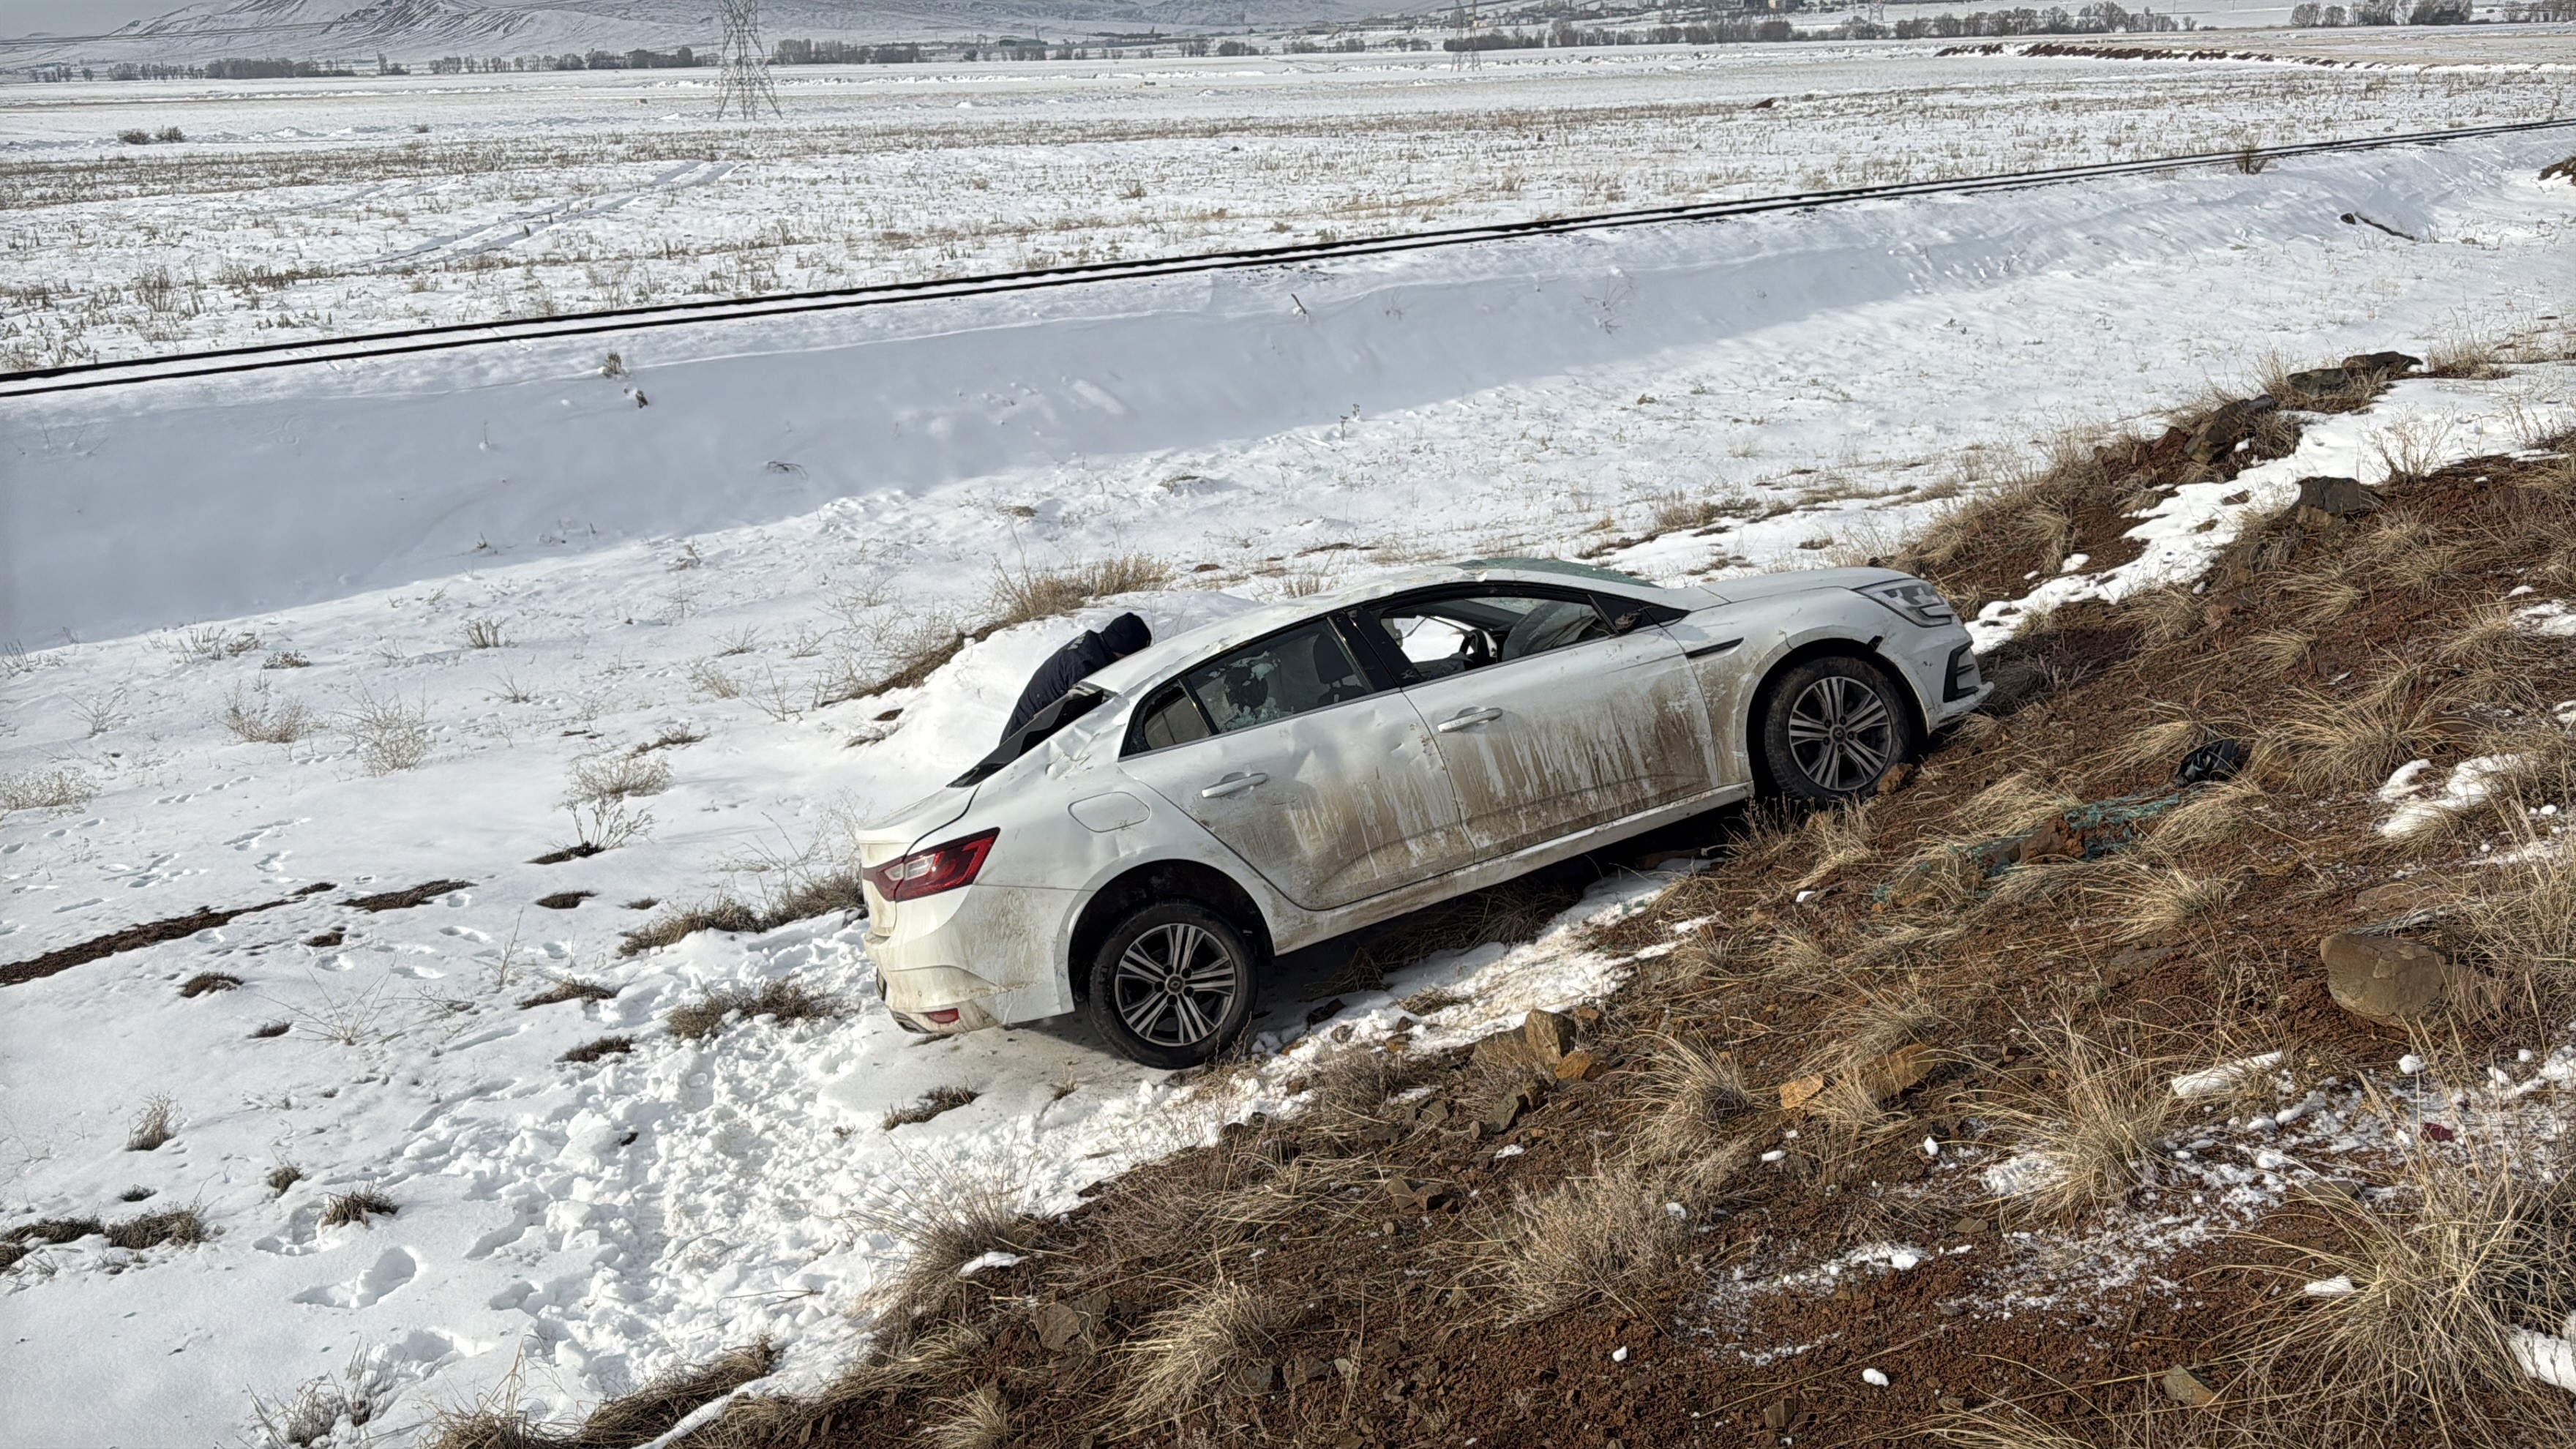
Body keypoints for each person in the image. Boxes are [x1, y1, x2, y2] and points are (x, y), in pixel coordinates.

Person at [1000, 612, 1151, 741]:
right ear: (1125, 651)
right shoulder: (1085, 668)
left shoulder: (1093, 645)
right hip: (1020, 743)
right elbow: (1086, 725)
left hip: (1032, 727)